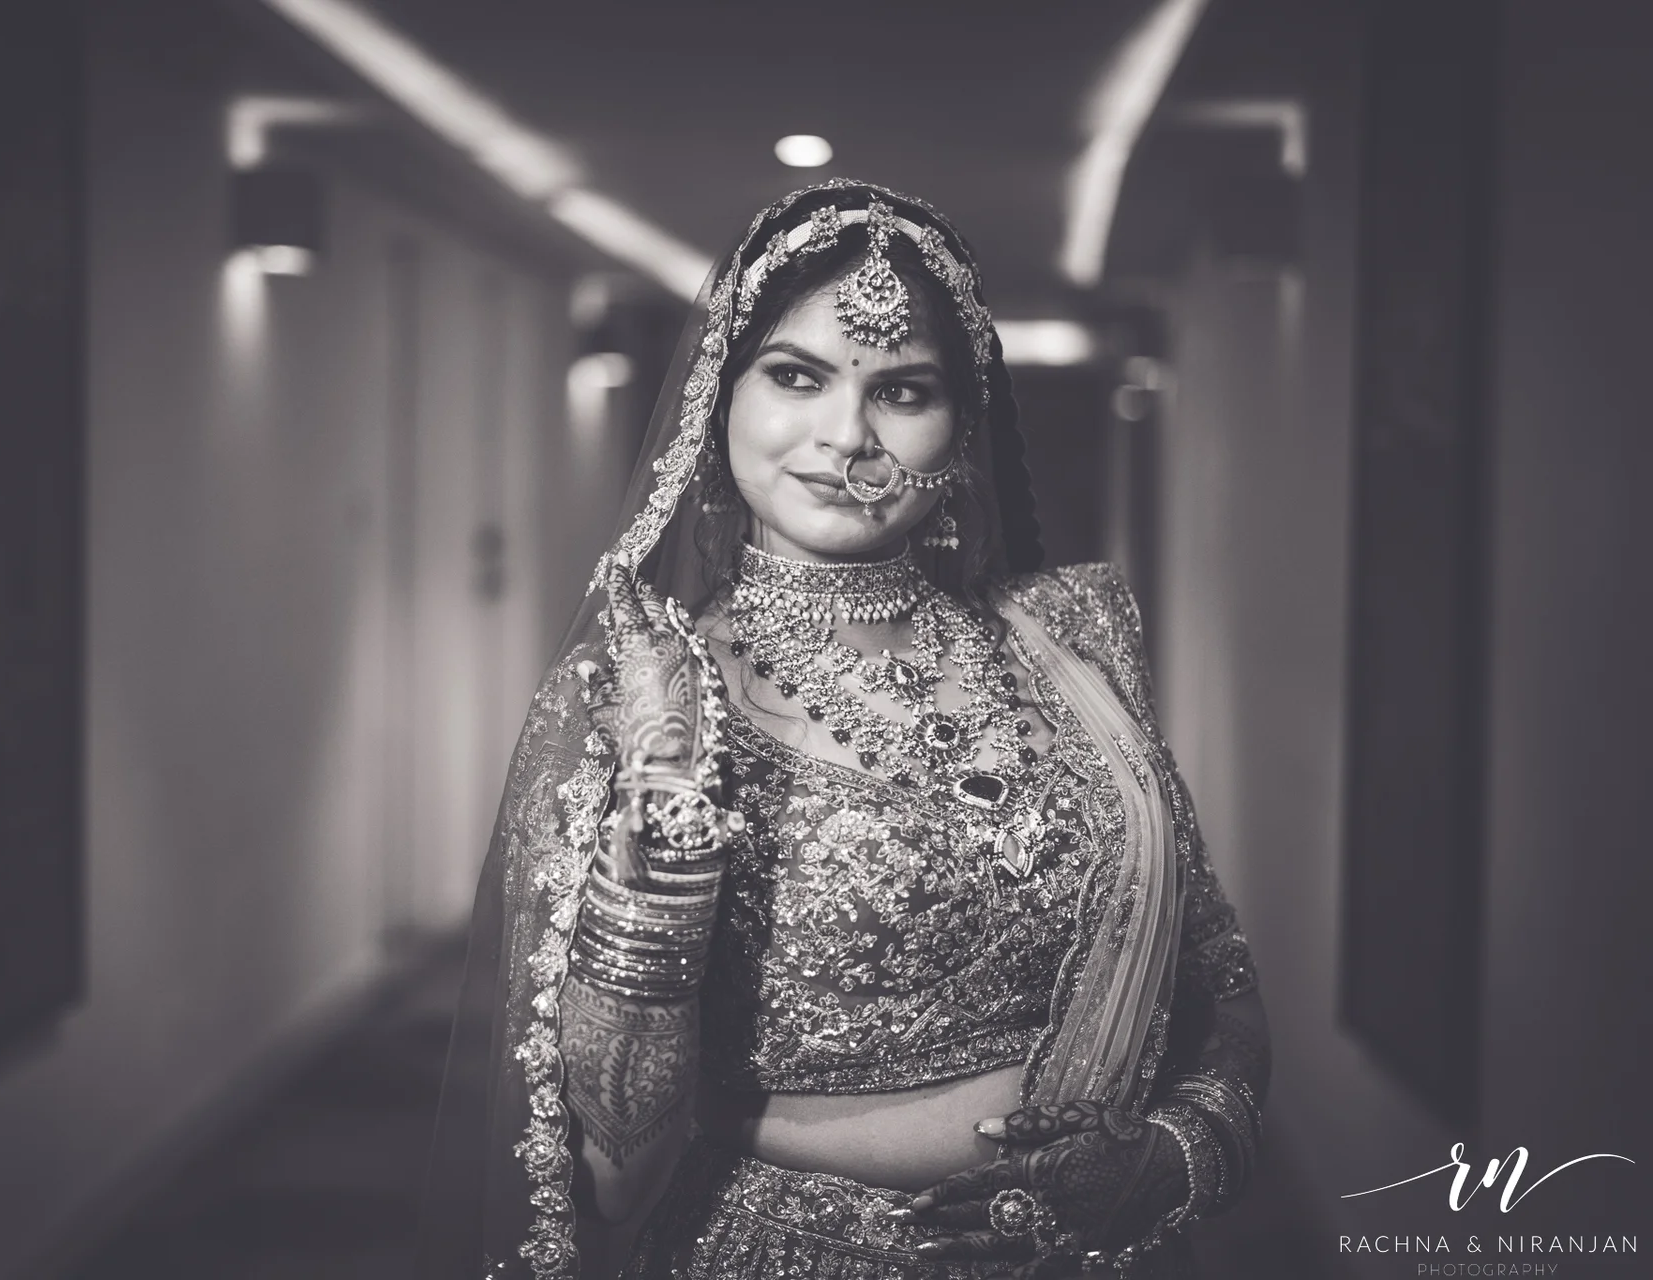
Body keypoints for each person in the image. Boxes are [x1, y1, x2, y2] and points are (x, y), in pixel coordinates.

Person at [416, 181, 1268, 1280]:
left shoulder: (1074, 647)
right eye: (796, 375)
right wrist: (661, 862)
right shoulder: (640, 701)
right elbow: (609, 1169)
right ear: (717, 399)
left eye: (903, 389)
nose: (847, 436)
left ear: (962, 431)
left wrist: (1173, 1153)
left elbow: (1223, 989)